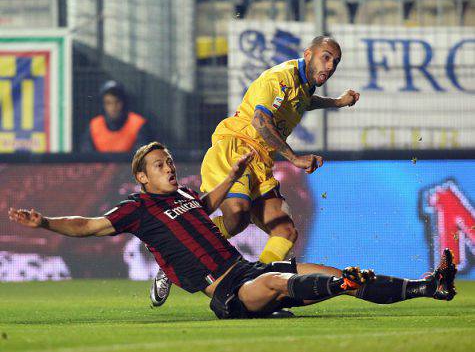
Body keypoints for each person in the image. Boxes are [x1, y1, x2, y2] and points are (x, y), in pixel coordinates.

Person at [9, 142, 457, 319]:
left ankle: (425, 287)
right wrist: (45, 222)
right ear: (143, 177)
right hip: (229, 291)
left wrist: (235, 171)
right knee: (280, 281)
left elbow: (203, 206)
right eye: (159, 165)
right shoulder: (137, 208)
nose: (168, 168)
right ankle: (339, 285)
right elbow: (87, 226)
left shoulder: (184, 199)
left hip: (242, 268)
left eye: (168, 162)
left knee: (325, 269)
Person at [152, 35, 360, 307]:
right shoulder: (280, 78)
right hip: (237, 147)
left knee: (285, 231)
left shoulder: (303, 84)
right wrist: (294, 158)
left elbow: (304, 102)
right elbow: (261, 122)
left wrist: (337, 102)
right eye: (326, 57)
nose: (331, 65)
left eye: (336, 61)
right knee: (237, 215)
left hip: (261, 162)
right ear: (308, 54)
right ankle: (174, 252)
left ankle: (254, 288)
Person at [81, 80, 153, 153]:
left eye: (117, 102)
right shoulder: (94, 126)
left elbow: (140, 159)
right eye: (108, 103)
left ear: (124, 103)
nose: (113, 107)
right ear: (103, 105)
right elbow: (87, 159)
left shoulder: (138, 125)